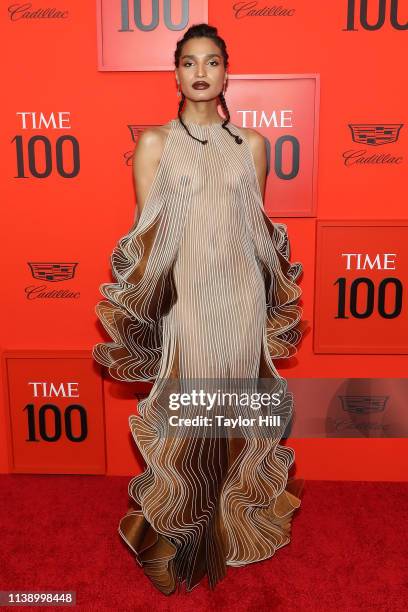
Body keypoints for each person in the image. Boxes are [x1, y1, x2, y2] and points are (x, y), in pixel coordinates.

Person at [92, 23, 305, 596]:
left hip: (240, 305)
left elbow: (254, 232)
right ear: (177, 74)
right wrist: (150, 310)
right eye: (190, 62)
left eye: (212, 62)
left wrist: (268, 305)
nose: (201, 72)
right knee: (190, 422)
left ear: (227, 73)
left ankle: (232, 531)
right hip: (187, 303)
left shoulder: (253, 146)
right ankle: (182, 536)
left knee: (238, 415)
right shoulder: (155, 144)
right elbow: (147, 233)